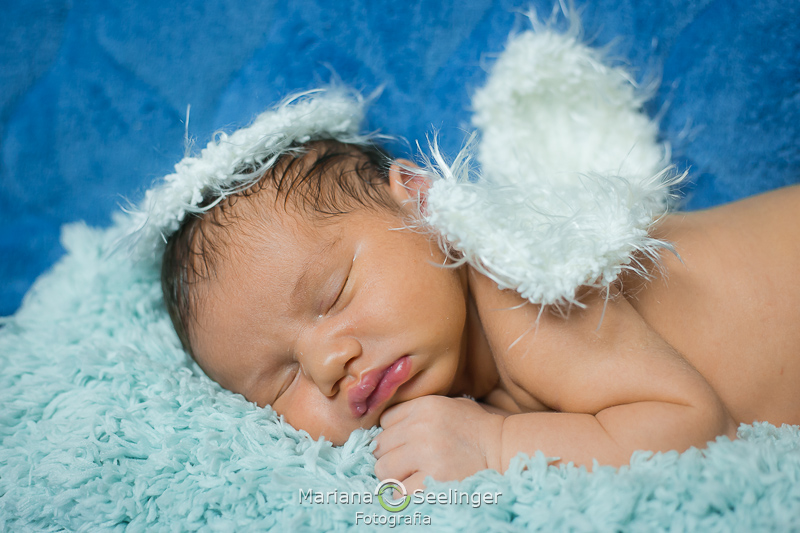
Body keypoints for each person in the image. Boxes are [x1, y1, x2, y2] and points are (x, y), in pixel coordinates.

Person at [161, 138, 800, 492]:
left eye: (333, 295)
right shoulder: (467, 378)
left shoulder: (524, 297)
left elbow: (693, 426)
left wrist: (497, 446)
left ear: (418, 199)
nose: (328, 363)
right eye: (281, 380)